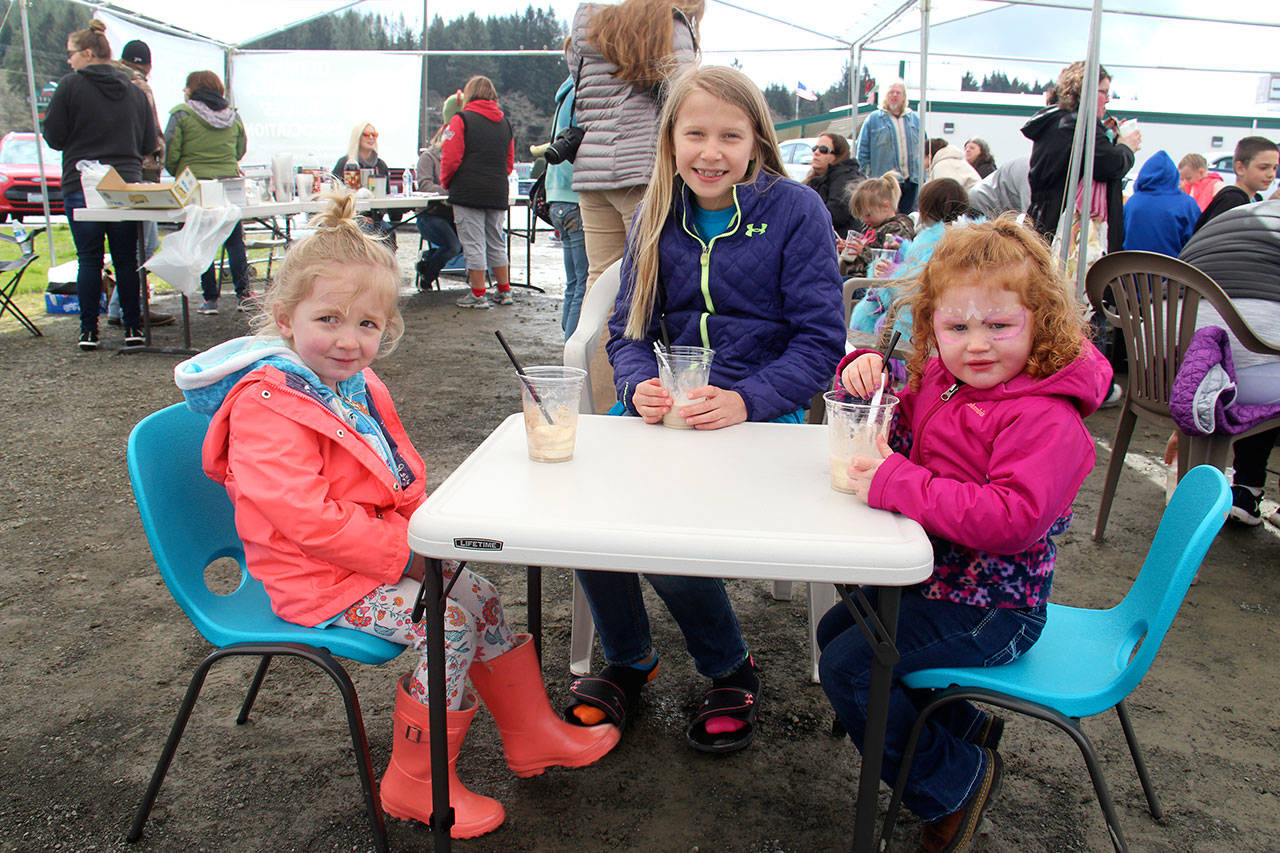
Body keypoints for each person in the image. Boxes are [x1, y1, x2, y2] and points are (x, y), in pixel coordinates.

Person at [173, 190, 620, 839]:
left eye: (367, 325)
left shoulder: (354, 383)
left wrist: (427, 539)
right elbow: (310, 521)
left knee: (480, 592)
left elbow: (396, 478)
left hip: (364, 559)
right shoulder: (267, 405)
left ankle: (533, 735)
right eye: (327, 318)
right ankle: (414, 782)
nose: (348, 341)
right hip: (314, 581)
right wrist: (409, 553)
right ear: (283, 315)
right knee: (451, 620)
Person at [565, 66, 846, 754]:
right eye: (695, 133)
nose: (710, 151)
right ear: (671, 139)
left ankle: (729, 664)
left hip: (759, 417)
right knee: (580, 508)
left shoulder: (797, 211)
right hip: (667, 412)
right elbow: (628, 334)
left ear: (757, 140)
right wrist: (635, 388)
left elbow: (821, 343)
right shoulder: (654, 212)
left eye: (729, 134)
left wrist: (748, 398)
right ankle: (631, 659)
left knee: (662, 529)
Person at [821, 218, 1112, 853]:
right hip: (939, 583)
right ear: (933, 328)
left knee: (851, 667)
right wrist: (863, 372)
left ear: (1041, 322)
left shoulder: (1045, 417)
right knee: (836, 630)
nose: (977, 345)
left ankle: (951, 783)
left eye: (999, 326)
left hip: (995, 607)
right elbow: (892, 413)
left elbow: (1010, 519)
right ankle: (962, 729)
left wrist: (898, 483)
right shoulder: (944, 380)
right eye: (956, 328)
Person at [569, 0, 701, 408]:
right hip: (642, 170)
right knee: (643, 289)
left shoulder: (588, 24)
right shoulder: (669, 26)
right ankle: (647, 396)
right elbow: (688, 97)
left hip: (591, 172)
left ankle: (601, 401)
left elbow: (577, 84)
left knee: (599, 289)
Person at [43, 19, 155, 351]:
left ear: (88, 53)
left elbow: (53, 137)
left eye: (72, 53)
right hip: (125, 182)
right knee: (126, 258)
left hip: (81, 182)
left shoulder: (69, 86)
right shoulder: (135, 91)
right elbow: (149, 142)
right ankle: (133, 327)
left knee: (89, 258)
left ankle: (88, 331)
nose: (69, 60)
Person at [1179, 199, 1280, 525]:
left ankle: (1247, 488)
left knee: (1261, 361)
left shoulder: (1235, 217)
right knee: (1262, 364)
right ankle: (1247, 487)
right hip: (1232, 375)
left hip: (1171, 372)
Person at [1023, 61, 1141, 254]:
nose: (1108, 100)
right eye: (1104, 92)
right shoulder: (1077, 125)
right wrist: (1126, 146)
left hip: (1046, 223)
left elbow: (1092, 158)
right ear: (1085, 91)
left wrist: (1105, 134)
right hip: (1069, 235)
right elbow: (1112, 164)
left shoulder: (1058, 121)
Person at [163, 70, 251, 315]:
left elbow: (170, 151)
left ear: (192, 89)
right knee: (234, 241)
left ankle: (210, 298)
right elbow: (240, 149)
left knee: (201, 241)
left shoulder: (181, 114)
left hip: (195, 185)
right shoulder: (233, 117)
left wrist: (180, 173)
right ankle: (243, 294)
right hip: (228, 182)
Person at [850, 177, 974, 342]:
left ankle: (876, 362)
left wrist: (889, 273)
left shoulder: (940, 240)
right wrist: (902, 250)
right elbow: (918, 266)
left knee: (874, 318)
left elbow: (918, 283)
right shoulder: (961, 235)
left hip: (921, 313)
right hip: (935, 308)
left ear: (927, 209)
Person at [106, 38, 172, 328]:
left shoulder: (102, 81)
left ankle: (118, 308)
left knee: (108, 252)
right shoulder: (138, 87)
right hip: (137, 173)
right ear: (147, 64)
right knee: (141, 247)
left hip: (99, 174)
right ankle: (127, 311)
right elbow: (151, 137)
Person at [440, 75, 515, 309]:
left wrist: (446, 182)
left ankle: (478, 293)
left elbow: (450, 158)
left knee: (473, 243)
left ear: (469, 94)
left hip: (468, 190)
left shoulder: (461, 119)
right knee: (496, 241)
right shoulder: (505, 123)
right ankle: (504, 291)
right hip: (497, 190)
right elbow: (509, 161)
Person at [538, 71, 590, 338]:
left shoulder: (563, 95)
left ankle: (567, 338)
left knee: (573, 282)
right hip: (577, 198)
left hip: (556, 197)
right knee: (585, 282)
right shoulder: (586, 90)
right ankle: (573, 348)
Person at [413, 92, 464, 289]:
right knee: (453, 247)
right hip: (430, 214)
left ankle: (426, 260)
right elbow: (425, 185)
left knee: (468, 245)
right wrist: (448, 192)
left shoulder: (462, 158)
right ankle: (427, 278)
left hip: (454, 214)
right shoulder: (429, 158)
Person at [856, 79, 922, 213]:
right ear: (886, 96)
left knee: (907, 218)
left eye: (898, 92)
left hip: (911, 182)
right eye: (891, 92)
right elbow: (862, 152)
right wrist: (864, 179)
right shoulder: (873, 119)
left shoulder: (914, 120)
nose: (895, 95)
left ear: (904, 97)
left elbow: (924, 149)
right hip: (885, 184)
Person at [1121, 150, 1202, 256]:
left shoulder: (1132, 203)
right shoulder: (1186, 204)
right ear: (1174, 176)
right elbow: (1197, 242)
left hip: (1132, 268)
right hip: (1174, 269)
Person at [333, 121, 400, 248]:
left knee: (388, 233)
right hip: (350, 218)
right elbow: (336, 193)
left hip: (376, 218)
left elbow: (386, 196)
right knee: (366, 232)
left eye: (374, 134)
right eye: (366, 134)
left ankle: (385, 267)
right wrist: (357, 217)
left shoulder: (380, 165)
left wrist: (376, 216)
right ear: (357, 137)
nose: (371, 138)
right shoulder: (344, 163)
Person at [1193, 136, 1278, 233]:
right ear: (1240, 168)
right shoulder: (1232, 200)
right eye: (1263, 168)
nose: (1271, 174)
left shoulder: (1256, 199)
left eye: (1275, 168)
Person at [840, 173, 916, 278]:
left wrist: (863, 251)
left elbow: (892, 260)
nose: (865, 220)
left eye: (868, 215)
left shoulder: (896, 229)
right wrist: (848, 249)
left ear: (886, 206)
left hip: (873, 284)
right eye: (862, 216)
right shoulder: (871, 226)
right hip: (857, 278)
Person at [803, 132, 864, 236]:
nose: (817, 152)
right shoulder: (814, 179)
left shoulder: (846, 178)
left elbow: (835, 214)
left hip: (838, 241)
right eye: (815, 148)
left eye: (823, 150)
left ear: (838, 156)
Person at [967, 156, 1031, 221]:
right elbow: (1030, 215)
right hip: (982, 206)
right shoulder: (1029, 171)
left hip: (999, 210)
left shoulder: (1031, 165)